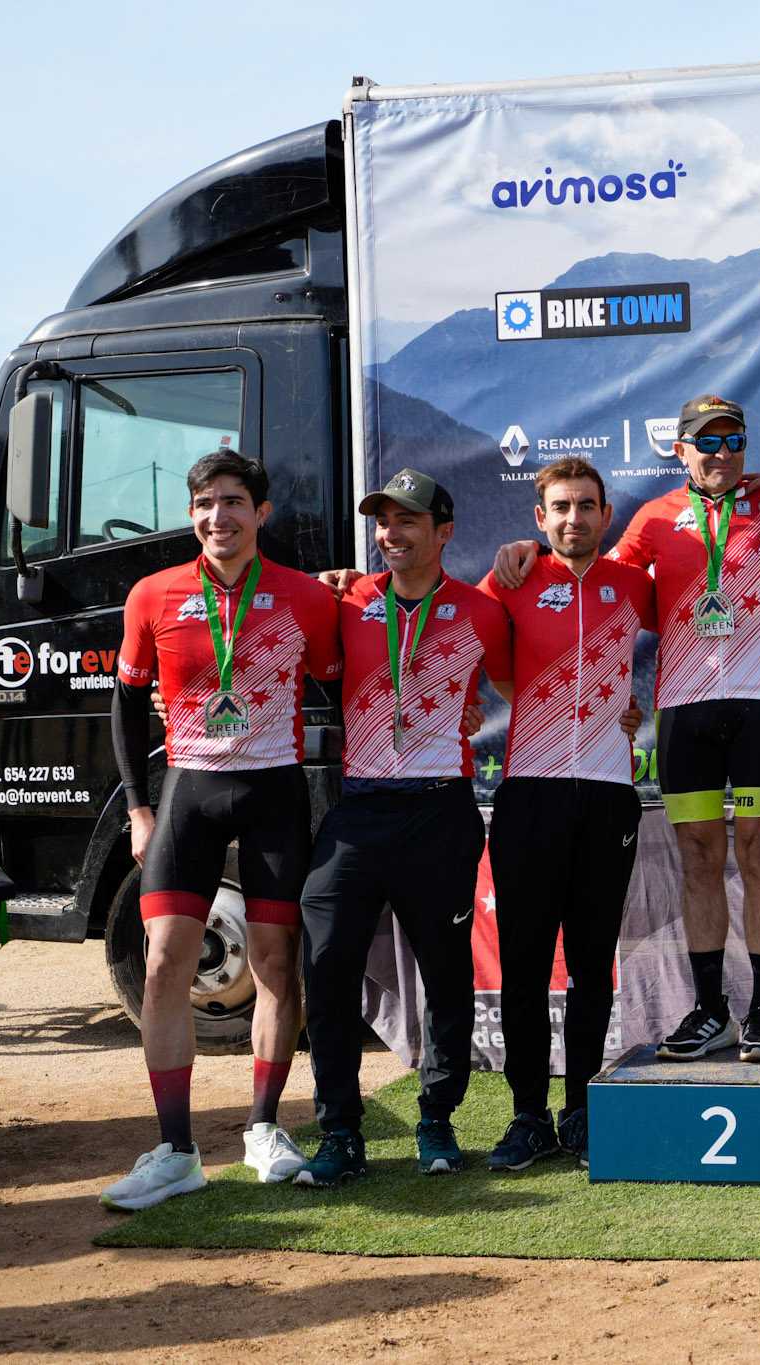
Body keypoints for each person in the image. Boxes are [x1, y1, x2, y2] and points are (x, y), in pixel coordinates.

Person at [100, 452, 341, 1210]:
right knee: (166, 959)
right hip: (187, 793)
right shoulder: (154, 593)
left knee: (274, 961)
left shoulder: (303, 597)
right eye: (204, 503)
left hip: (273, 790)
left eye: (233, 502)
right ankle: (175, 1149)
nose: (217, 517)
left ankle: (264, 1130)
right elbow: (127, 702)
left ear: (261, 513)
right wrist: (138, 807)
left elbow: (347, 677)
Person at [294, 469, 512, 1185]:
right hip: (358, 808)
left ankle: (435, 1118)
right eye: (383, 521)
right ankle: (340, 1130)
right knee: (325, 971)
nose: (391, 533)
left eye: (407, 520)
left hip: (439, 809)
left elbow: (525, 683)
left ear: (443, 532)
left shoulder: (480, 611)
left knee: (447, 974)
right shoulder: (349, 599)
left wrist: (626, 716)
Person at [608, 396, 760, 1062]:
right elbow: (604, 592)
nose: (721, 455)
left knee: (759, 853)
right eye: (707, 443)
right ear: (680, 449)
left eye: (734, 441)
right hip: (683, 708)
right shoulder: (655, 518)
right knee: (698, 857)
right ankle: (710, 1009)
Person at [477, 458, 650, 1170]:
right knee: (522, 964)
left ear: (606, 515)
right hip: (530, 791)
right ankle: (527, 1114)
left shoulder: (635, 584)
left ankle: (580, 1107)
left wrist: (634, 706)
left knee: (590, 963)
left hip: (608, 791)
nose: (573, 517)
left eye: (586, 505)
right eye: (560, 507)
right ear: (539, 518)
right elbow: (486, 664)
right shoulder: (509, 582)